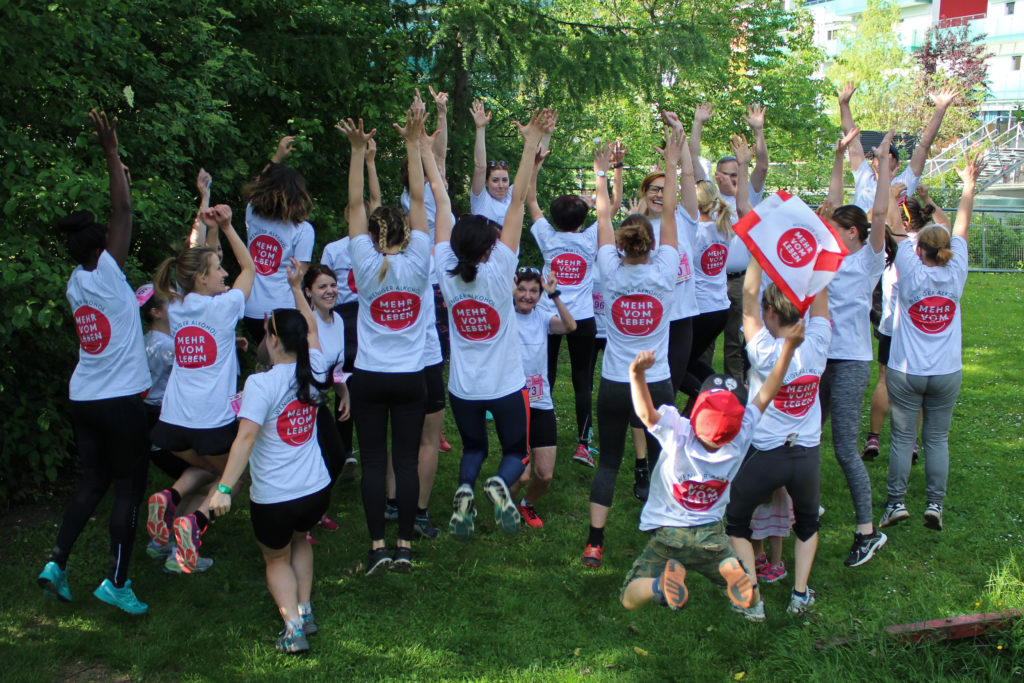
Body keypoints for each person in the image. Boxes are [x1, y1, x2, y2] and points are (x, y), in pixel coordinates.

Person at [38, 110, 152, 615]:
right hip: (120, 401)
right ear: (102, 246)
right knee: (129, 485)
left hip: (83, 397)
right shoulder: (106, 272)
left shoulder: (74, 283)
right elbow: (123, 211)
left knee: (93, 481)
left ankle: (57, 562)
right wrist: (110, 153)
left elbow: (118, 213)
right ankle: (117, 581)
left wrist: (118, 164)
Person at [619, 308, 802, 618]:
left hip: (669, 535)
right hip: (711, 537)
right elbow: (767, 392)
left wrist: (636, 374)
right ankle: (736, 575)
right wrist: (788, 348)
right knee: (739, 584)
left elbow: (646, 414)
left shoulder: (678, 431)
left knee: (628, 596)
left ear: (697, 410)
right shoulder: (740, 436)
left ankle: (659, 588)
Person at [437, 108, 554, 541]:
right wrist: (530, 145)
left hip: (463, 388)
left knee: (472, 447)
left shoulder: (444, 273)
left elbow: (436, 196)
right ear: (491, 247)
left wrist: (422, 150)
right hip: (506, 385)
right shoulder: (503, 267)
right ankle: (500, 485)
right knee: (515, 452)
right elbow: (519, 199)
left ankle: (466, 486)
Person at [209, 260, 334, 654]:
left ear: (275, 341)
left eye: (266, 333)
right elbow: (311, 328)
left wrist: (224, 488)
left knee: (276, 558)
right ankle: (306, 610)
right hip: (316, 491)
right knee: (302, 541)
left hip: (275, 498)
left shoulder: (261, 383)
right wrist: (297, 287)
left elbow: (245, 438)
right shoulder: (316, 366)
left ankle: (294, 630)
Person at [336, 95, 433, 574]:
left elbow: (356, 202)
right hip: (411, 377)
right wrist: (414, 145)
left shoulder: (363, 261)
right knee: (408, 464)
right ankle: (406, 547)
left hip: (369, 377)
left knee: (375, 464)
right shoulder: (419, 261)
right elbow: (417, 199)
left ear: (373, 234)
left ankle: (377, 547)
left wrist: (359, 151)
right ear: (407, 233)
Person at [582, 128, 685, 568]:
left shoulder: (609, 268)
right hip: (656, 383)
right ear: (651, 244)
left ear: (621, 244)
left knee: (609, 463)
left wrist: (603, 173)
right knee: (665, 464)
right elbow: (671, 214)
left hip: (613, 382)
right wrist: (673, 162)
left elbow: (603, 217)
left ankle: (594, 543)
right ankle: (662, 541)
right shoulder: (665, 268)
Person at [146, 202, 256, 574]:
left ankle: (170, 497)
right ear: (202, 279)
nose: (224, 273)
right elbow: (250, 268)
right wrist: (226, 227)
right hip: (211, 419)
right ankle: (196, 521)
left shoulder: (175, 306)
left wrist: (207, 229)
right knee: (233, 478)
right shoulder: (223, 309)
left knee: (208, 470)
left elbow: (200, 262)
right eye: (217, 270)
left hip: (174, 419)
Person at [724, 249, 834, 618]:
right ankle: (799, 595)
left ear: (771, 313)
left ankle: (752, 598)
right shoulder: (817, 342)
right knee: (808, 520)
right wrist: (816, 255)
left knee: (735, 521)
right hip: (805, 455)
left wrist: (757, 249)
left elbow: (749, 296)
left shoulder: (765, 351)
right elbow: (821, 298)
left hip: (764, 455)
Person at [880, 151, 983, 532]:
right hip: (946, 372)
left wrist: (892, 197)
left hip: (906, 371)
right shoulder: (957, 269)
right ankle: (935, 505)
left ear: (919, 248)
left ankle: (895, 504)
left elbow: (893, 226)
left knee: (903, 439)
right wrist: (968, 186)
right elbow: (960, 224)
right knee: (937, 439)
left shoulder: (907, 264)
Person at [817, 128, 895, 567]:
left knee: (845, 446)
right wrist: (837, 156)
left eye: (834, 228)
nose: (826, 230)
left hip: (849, 361)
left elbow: (879, 211)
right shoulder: (829, 251)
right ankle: (803, 507)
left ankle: (868, 532)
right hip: (816, 357)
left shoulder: (867, 257)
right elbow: (833, 198)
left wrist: (883, 163)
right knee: (802, 436)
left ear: (852, 232)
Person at [527, 138, 621, 468]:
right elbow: (609, 208)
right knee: (583, 382)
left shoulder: (548, 237)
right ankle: (583, 444)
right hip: (582, 318)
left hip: (547, 317)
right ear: (582, 219)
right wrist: (602, 173)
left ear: (555, 217)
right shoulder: (588, 237)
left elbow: (530, 199)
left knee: (546, 375)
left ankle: (537, 435)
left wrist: (535, 165)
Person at [137, 284, 217, 571]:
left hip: (149, 427)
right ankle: (177, 552)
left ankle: (161, 542)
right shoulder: (170, 347)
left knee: (195, 475)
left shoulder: (146, 341)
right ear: (156, 312)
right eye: (172, 302)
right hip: (169, 423)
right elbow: (198, 372)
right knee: (211, 475)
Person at [319, 140, 380, 481]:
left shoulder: (372, 245)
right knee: (347, 380)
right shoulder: (337, 248)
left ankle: (348, 451)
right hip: (345, 318)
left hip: (361, 315)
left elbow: (374, 202)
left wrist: (369, 161)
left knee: (349, 381)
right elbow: (324, 285)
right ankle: (346, 452)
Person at [862, 183, 935, 461]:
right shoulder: (933, 244)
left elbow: (881, 217)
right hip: (919, 329)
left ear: (902, 220)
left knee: (884, 380)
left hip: (892, 326)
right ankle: (912, 443)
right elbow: (947, 222)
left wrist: (889, 193)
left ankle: (874, 438)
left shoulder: (898, 247)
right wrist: (927, 200)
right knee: (915, 385)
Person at [509, 268, 577, 528]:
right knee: (522, 475)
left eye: (533, 291)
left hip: (541, 402)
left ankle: (526, 505)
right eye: (522, 289)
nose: (527, 296)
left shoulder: (542, 317)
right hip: (514, 401)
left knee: (544, 474)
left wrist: (555, 294)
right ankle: (504, 504)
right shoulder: (504, 316)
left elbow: (571, 326)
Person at [838, 82, 958, 213]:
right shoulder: (864, 176)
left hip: (892, 233)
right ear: (873, 163)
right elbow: (852, 140)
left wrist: (941, 108)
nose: (884, 156)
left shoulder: (904, 182)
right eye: (879, 155)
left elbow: (924, 146)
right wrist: (844, 105)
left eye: (890, 155)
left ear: (897, 166)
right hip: (862, 232)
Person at [241, 135, 316, 343]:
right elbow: (298, 275)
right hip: (284, 309)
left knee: (264, 356)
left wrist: (276, 158)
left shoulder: (252, 213)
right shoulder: (302, 229)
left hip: (250, 308)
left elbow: (257, 184)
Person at [300, 264, 351, 534]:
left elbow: (336, 368)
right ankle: (305, 521)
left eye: (332, 285)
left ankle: (315, 511)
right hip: (298, 405)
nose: (330, 291)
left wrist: (344, 392)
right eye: (322, 286)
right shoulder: (304, 321)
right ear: (308, 292)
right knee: (314, 462)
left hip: (319, 402)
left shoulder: (338, 320)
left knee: (336, 457)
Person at [469, 99, 517, 226]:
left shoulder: (511, 197)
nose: (501, 185)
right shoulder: (481, 199)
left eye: (505, 180)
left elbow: (531, 173)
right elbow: (480, 167)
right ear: (486, 183)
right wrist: (480, 128)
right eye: (495, 180)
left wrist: (544, 136)